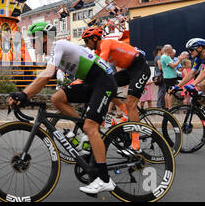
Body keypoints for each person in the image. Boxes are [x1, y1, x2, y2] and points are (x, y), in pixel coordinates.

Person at [9, 22, 117, 195]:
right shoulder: (55, 49)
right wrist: (27, 95)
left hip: (104, 82)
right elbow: (45, 76)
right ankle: (85, 135)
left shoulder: (57, 45)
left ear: (44, 37)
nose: (31, 43)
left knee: (91, 127)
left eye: (33, 39)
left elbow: (47, 75)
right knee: (57, 98)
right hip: (91, 82)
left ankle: (104, 179)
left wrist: (24, 94)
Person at [81, 26, 151, 155]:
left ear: (95, 38)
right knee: (106, 86)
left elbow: (101, 63)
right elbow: (91, 68)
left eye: (87, 41)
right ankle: (124, 109)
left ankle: (136, 145)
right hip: (129, 70)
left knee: (131, 103)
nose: (86, 44)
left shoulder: (105, 43)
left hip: (140, 66)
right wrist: (80, 81)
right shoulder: (97, 51)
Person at [171, 38, 205, 111]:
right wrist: (178, 86)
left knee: (202, 83)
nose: (190, 52)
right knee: (202, 85)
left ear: (200, 48)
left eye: (191, 50)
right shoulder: (198, 59)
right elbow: (191, 73)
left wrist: (193, 85)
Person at [161, 44, 183, 110]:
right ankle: (170, 107)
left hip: (168, 76)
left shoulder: (165, 56)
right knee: (171, 92)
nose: (172, 50)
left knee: (168, 92)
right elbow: (173, 65)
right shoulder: (166, 57)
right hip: (169, 77)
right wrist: (179, 59)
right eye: (171, 48)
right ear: (168, 49)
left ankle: (167, 106)